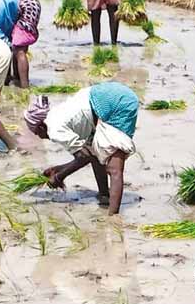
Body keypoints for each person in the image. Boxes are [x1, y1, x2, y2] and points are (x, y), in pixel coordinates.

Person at [23, 81, 138, 215]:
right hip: (106, 95)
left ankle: (113, 217)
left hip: (116, 102)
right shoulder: (58, 114)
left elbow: (84, 156)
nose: (41, 137)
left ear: (42, 126)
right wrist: (58, 169)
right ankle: (104, 195)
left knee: (114, 168)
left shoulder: (53, 128)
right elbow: (91, 155)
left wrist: (60, 176)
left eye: (38, 133)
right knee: (97, 152)